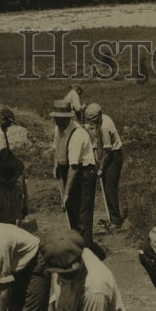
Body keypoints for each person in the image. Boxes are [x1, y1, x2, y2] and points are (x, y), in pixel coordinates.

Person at [59, 103, 100, 252]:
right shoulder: (60, 128)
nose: (57, 121)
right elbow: (57, 148)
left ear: (67, 119)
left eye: (60, 119)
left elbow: (74, 167)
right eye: (55, 118)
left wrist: (66, 193)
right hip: (74, 170)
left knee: (83, 214)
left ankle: (87, 251)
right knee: (72, 210)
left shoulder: (77, 134)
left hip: (84, 173)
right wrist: (55, 166)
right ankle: (77, 246)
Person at [85, 103, 125, 227]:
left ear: (99, 115)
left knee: (110, 188)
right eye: (90, 120)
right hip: (110, 154)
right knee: (108, 187)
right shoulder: (103, 118)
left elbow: (108, 153)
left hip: (113, 157)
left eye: (94, 120)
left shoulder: (104, 127)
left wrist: (101, 169)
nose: (92, 123)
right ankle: (112, 217)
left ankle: (116, 220)